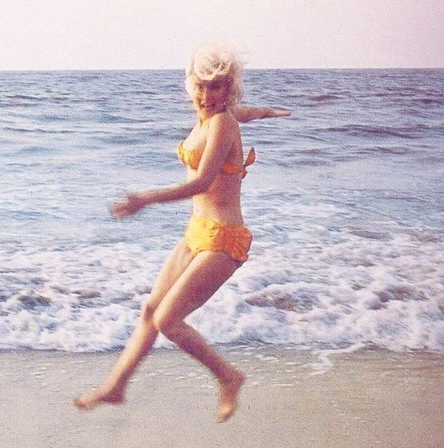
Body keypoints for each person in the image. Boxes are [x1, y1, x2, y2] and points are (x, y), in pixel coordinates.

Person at [75, 44, 290, 422]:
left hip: (224, 239)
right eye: (201, 86)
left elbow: (202, 182)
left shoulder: (221, 123)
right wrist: (267, 111)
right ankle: (115, 387)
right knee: (150, 310)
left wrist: (146, 199)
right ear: (191, 85)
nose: (207, 96)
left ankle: (229, 377)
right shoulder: (212, 118)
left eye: (217, 86)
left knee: (168, 321)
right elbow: (246, 113)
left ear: (229, 88)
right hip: (197, 232)